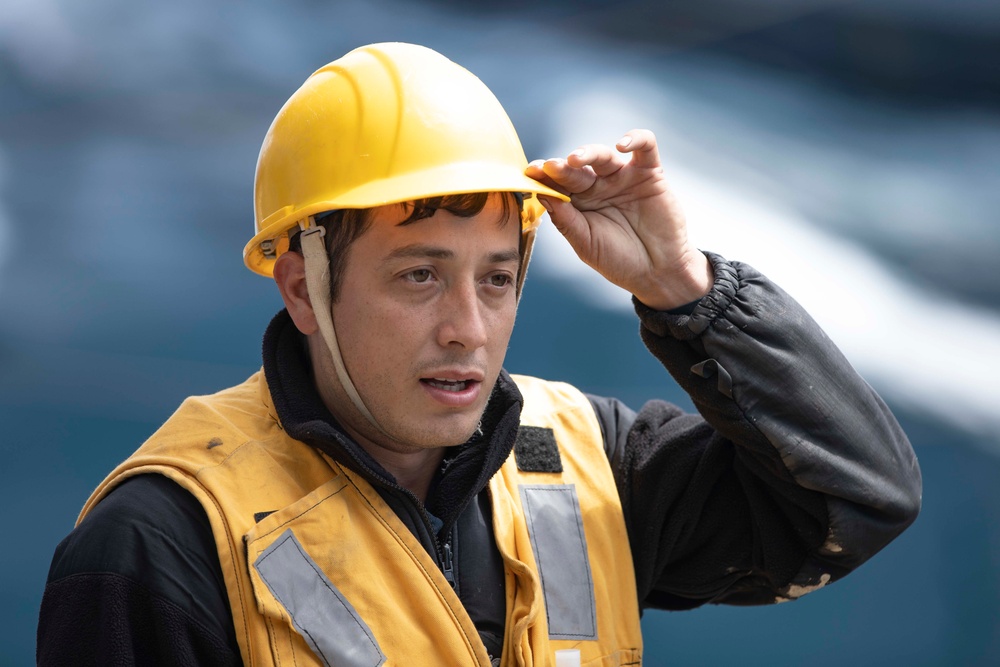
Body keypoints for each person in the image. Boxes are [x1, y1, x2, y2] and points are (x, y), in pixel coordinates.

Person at [37, 42, 921, 666]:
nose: (469, 327)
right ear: (302, 287)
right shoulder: (160, 546)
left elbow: (856, 499)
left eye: (497, 279)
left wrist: (686, 289)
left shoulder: (585, 462)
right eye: (420, 277)